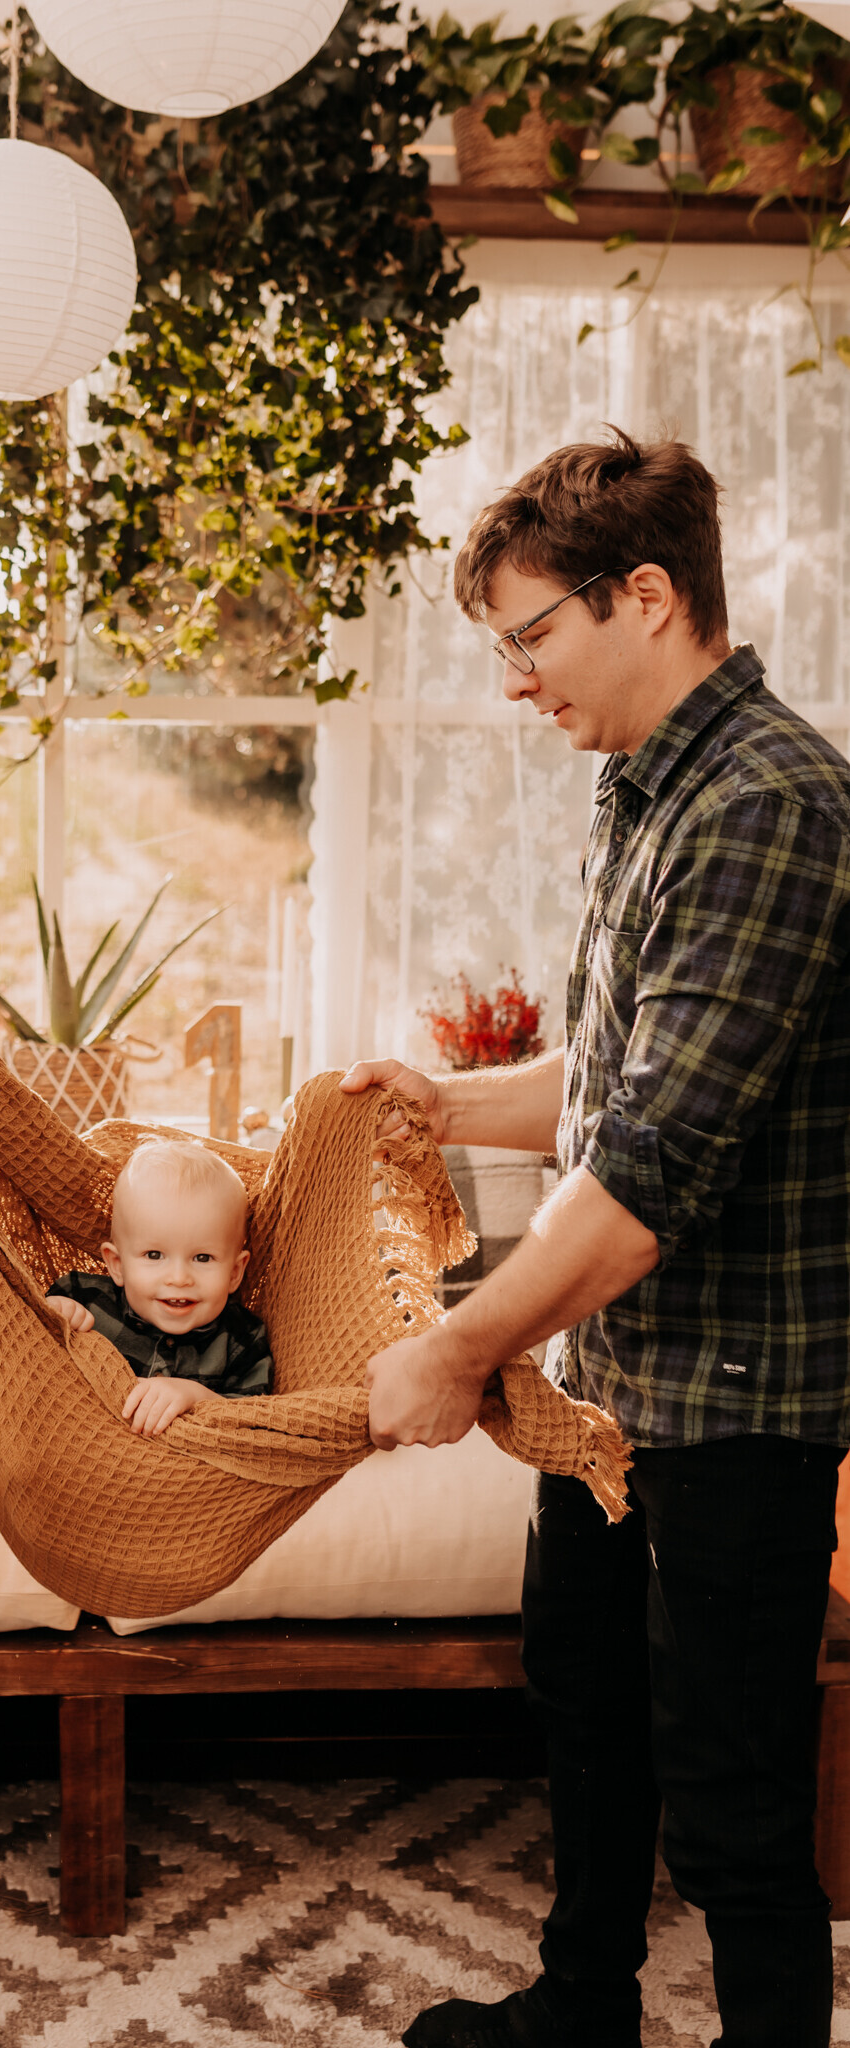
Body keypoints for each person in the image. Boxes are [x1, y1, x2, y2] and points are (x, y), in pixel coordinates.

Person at [342, 431, 850, 2048]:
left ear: (646, 594)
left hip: (735, 1408)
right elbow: (609, 1074)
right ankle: (583, 2009)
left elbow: (646, 1172)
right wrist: (443, 1101)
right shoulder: (649, 789)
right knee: (590, 1712)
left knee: (734, 1804)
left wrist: (456, 1344)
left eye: (530, 636)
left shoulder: (773, 804)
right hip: (612, 1396)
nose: (513, 682)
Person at [46, 1138, 272, 1433]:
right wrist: (53, 1313)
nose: (178, 1278)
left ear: (234, 1272)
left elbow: (260, 1423)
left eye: (203, 1257)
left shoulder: (242, 1340)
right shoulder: (84, 1297)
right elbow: (25, 1348)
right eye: (154, 1255)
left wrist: (194, 1396)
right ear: (117, 1264)